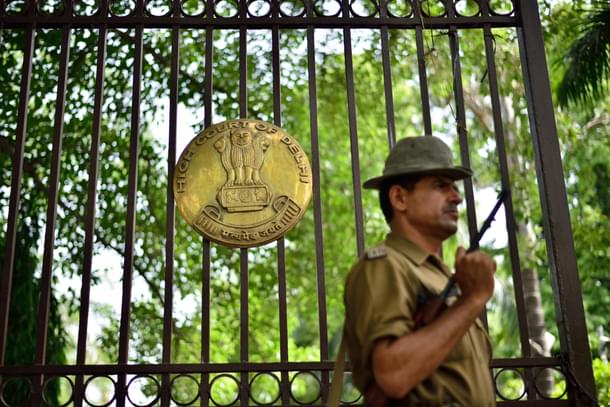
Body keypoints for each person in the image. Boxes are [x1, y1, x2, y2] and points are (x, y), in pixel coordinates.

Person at [343, 136, 496, 406]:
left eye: (454, 187)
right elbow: (393, 375)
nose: (457, 197)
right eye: (441, 185)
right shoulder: (385, 265)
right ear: (400, 198)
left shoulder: (438, 274)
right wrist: (472, 300)